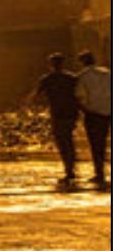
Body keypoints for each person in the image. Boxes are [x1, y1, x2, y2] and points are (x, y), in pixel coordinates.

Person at [34, 52, 80, 185]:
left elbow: (35, 96)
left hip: (57, 114)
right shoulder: (72, 78)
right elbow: (79, 95)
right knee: (69, 140)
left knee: (61, 141)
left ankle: (68, 169)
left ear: (50, 65)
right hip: (71, 113)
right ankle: (71, 167)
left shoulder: (47, 79)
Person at [75, 50, 110, 188]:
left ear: (82, 62)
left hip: (94, 113)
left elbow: (79, 96)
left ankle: (100, 173)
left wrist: (84, 111)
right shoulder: (107, 73)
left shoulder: (82, 76)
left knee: (97, 145)